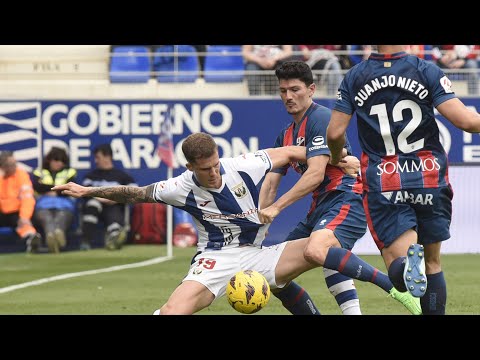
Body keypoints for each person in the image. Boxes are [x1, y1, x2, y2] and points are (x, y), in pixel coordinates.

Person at [53, 133, 418, 315]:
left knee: (318, 249)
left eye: (215, 165)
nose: (213, 174)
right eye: (204, 170)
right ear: (189, 169)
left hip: (257, 255)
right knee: (171, 312)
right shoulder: (178, 187)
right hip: (216, 259)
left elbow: (292, 153)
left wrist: (339, 160)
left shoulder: (242, 164)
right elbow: (132, 193)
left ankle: (394, 289)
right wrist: (86, 190)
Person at [326, 45, 480, 315]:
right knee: (432, 263)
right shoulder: (426, 70)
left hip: (385, 179)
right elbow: (466, 122)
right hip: (429, 176)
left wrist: (338, 156)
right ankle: (413, 270)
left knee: (397, 266)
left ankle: (404, 267)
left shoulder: (355, 76)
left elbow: (335, 132)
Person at [259, 60, 420, 315]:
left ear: (311, 89)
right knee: (272, 275)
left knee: (318, 248)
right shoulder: (286, 136)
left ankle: (394, 287)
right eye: (283, 91)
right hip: (320, 209)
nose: (288, 96)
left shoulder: (321, 118)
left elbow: (314, 175)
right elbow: (270, 182)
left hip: (346, 198)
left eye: (295, 90)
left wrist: (277, 208)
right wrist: (262, 219)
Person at [79, 144, 137, 251]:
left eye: (98, 157)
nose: (96, 161)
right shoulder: (91, 176)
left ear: (108, 157)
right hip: (96, 206)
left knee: (114, 211)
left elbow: (134, 191)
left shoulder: (122, 176)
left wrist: (114, 198)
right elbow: (85, 191)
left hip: (114, 207)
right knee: (92, 204)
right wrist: (103, 198)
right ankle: (85, 242)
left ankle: (115, 238)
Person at [32, 147, 77, 253]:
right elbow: (37, 187)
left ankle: (57, 236)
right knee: (47, 219)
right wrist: (58, 188)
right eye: (56, 160)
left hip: (65, 206)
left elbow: (70, 188)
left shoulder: (70, 172)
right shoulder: (39, 172)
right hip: (43, 205)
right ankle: (51, 238)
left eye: (62, 161)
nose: (59, 163)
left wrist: (48, 188)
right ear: (49, 160)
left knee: (60, 218)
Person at [0, 150, 42, 253]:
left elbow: (27, 198)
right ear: (3, 166)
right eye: (10, 165)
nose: (14, 167)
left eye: (15, 164)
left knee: (22, 222)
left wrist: (24, 216)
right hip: (1, 211)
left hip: (16, 212)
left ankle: (31, 239)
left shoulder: (21, 175)